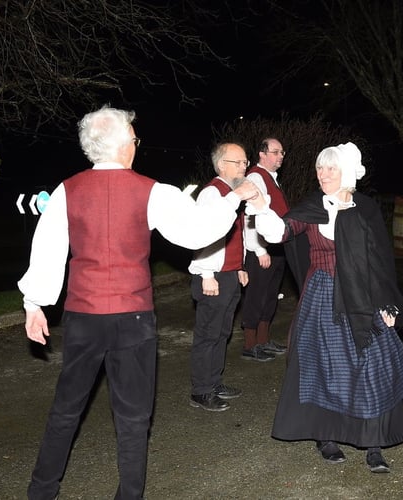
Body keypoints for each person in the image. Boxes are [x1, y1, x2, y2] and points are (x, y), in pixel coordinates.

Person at [18, 106, 261, 500]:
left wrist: (35, 303)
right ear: (123, 146)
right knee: (133, 418)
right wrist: (233, 198)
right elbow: (197, 231)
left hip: (83, 316)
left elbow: (46, 249)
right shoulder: (152, 191)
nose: (136, 142)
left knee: (66, 411)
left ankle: (41, 491)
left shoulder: (67, 189)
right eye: (133, 136)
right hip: (132, 319)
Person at [248, 142, 403, 473]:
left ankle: (373, 443)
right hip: (323, 297)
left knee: (371, 367)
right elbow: (279, 231)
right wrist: (259, 205)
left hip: (363, 298)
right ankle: (326, 437)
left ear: (347, 174)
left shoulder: (365, 209)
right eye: (320, 168)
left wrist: (387, 303)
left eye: (330, 169)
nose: (323, 174)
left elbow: (379, 262)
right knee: (324, 368)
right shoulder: (312, 208)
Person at [188, 142, 252, 412]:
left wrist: (239, 265)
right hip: (212, 276)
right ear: (221, 165)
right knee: (208, 334)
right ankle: (200, 391)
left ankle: (214, 382)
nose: (243, 166)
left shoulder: (232, 193)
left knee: (222, 332)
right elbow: (203, 235)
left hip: (228, 275)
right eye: (237, 162)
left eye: (245, 162)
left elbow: (237, 234)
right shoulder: (212, 194)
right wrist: (205, 274)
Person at [240, 137, 290, 362]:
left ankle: (263, 340)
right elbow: (251, 215)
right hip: (261, 249)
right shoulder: (255, 177)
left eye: (282, 153)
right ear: (262, 154)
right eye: (276, 152)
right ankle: (250, 345)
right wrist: (260, 250)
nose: (281, 157)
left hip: (275, 247)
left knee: (270, 295)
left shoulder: (271, 178)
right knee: (256, 295)